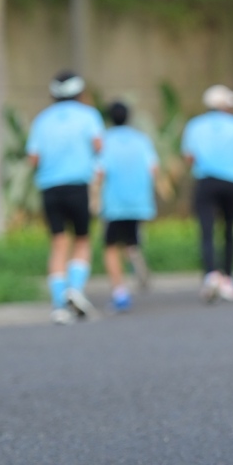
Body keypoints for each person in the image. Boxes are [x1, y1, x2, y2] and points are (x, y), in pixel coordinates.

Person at [25, 71, 105, 323]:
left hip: (49, 187)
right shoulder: (89, 115)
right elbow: (99, 146)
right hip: (78, 186)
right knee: (82, 239)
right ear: (80, 92)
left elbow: (33, 158)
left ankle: (59, 305)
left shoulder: (42, 120)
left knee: (58, 243)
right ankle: (75, 290)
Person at [180, 87, 233, 302]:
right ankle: (228, 277)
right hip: (232, 181)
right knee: (229, 230)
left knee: (206, 230)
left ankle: (210, 275)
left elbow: (189, 157)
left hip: (205, 181)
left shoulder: (195, 125)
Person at [97, 100, 159, 312]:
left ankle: (120, 293)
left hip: (114, 203)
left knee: (110, 247)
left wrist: (94, 197)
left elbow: (99, 171)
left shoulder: (105, 140)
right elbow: (153, 169)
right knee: (130, 240)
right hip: (139, 201)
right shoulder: (141, 139)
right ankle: (135, 258)